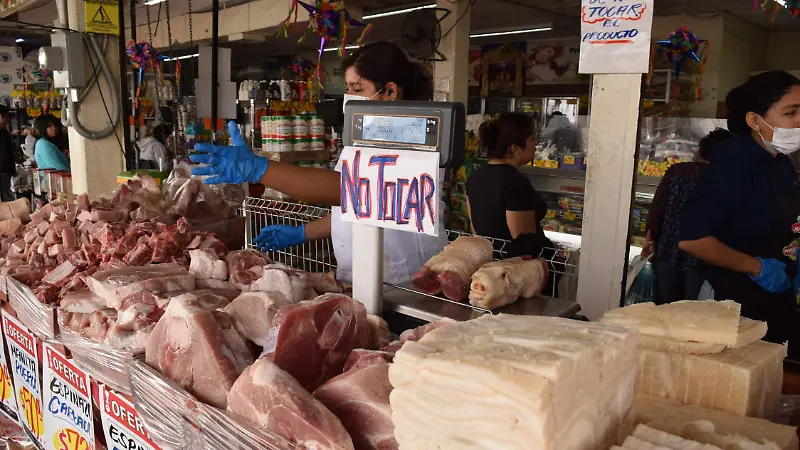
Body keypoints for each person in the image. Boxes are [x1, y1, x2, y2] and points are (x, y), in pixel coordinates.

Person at [190, 41, 447, 284]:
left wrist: (260, 169)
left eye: (357, 89)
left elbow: (351, 191)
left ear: (390, 91)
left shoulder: (419, 138)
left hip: (407, 280)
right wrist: (302, 233)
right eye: (347, 88)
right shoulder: (364, 137)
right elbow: (352, 210)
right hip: (363, 277)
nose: (348, 96)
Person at [678, 71, 800, 350]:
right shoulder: (734, 161)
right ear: (755, 120)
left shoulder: (780, 161)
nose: (799, 120)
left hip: (773, 298)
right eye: (791, 112)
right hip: (733, 300)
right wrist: (758, 268)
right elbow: (693, 239)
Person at [466, 113, 558, 294]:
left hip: (492, 268)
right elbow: (523, 244)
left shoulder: (476, 176)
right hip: (517, 278)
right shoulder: (514, 182)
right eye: (531, 139)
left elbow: (475, 229)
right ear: (515, 148)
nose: (535, 144)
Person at [644, 128, 731, 305]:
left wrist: (650, 238)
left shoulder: (677, 170)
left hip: (667, 251)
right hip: (702, 257)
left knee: (664, 309)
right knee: (692, 312)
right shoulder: (725, 178)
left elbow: (657, 207)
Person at [0, 107, 16, 201]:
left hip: (5, 171)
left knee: (6, 198)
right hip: (2, 171)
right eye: (5, 116)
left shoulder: (4, 131)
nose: (7, 118)